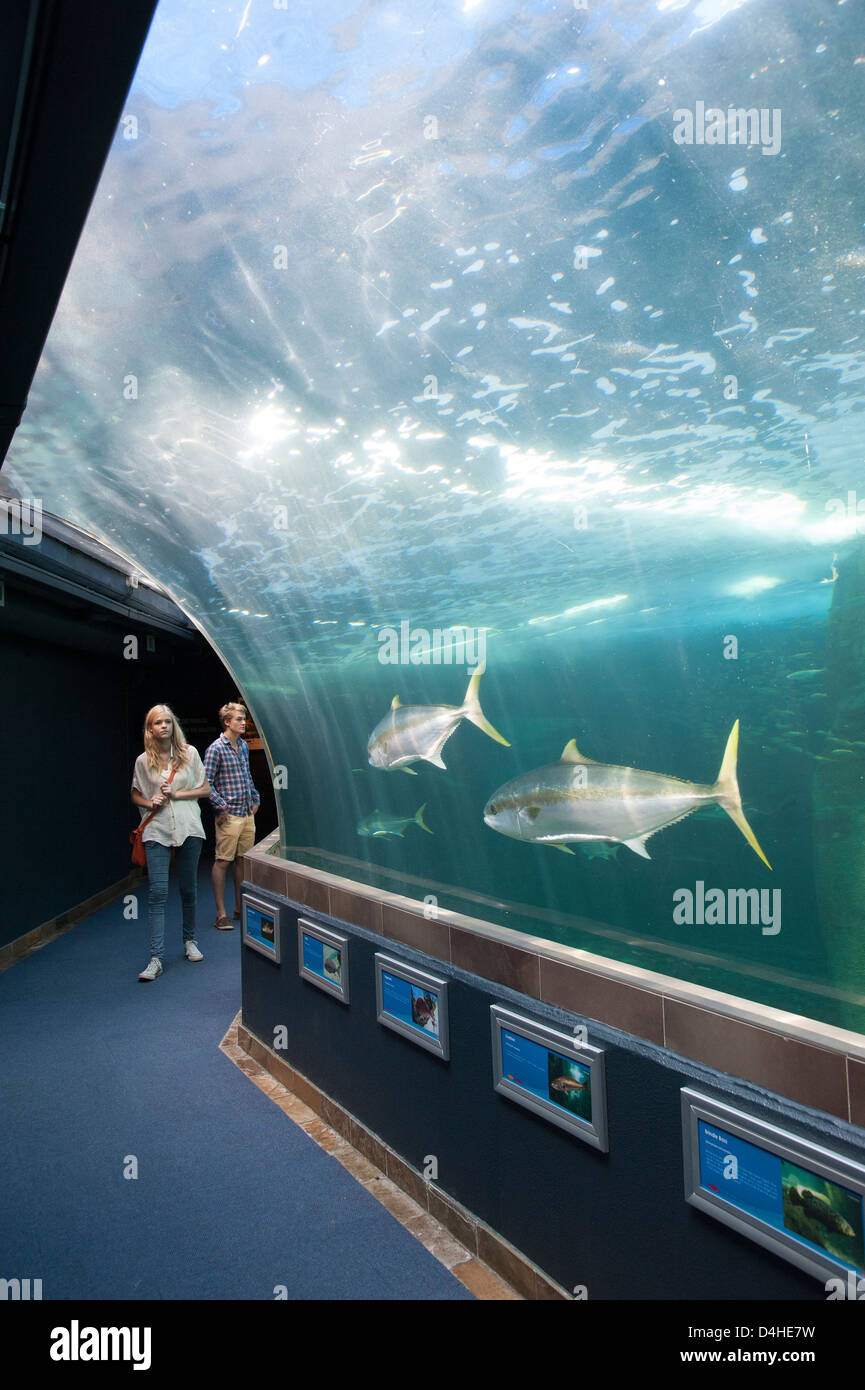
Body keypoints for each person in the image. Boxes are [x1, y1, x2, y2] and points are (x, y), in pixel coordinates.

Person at [131, 705, 210, 982]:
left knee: (188, 889)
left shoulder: (190, 754)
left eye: (167, 721)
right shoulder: (143, 761)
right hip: (157, 830)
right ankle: (156, 958)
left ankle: (190, 941)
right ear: (150, 729)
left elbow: (205, 789)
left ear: (174, 725)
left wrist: (176, 793)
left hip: (189, 826)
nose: (164, 726)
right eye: (158, 723)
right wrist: (149, 801)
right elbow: (135, 795)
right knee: (157, 894)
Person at [204, 702, 261, 930]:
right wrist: (222, 807)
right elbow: (206, 783)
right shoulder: (215, 748)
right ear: (227, 722)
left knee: (242, 861)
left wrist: (255, 798)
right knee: (222, 862)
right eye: (238, 719)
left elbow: (247, 775)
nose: (243, 723)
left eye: (243, 719)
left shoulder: (244, 746)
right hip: (229, 816)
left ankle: (239, 908)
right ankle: (221, 914)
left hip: (247, 814)